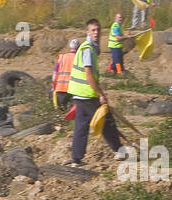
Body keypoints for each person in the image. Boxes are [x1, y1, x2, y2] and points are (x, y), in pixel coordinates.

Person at [68, 19, 123, 166]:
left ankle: (76, 158)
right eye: (93, 30)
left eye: (98, 30)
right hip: (87, 94)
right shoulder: (87, 49)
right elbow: (88, 75)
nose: (96, 33)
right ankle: (119, 150)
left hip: (79, 94)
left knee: (81, 126)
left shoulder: (89, 48)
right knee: (106, 121)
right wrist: (101, 94)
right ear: (87, 32)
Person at [52, 38, 79, 110]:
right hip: (73, 88)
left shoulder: (62, 57)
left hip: (60, 88)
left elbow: (55, 74)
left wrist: (53, 86)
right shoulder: (79, 58)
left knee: (61, 110)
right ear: (78, 48)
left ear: (70, 47)